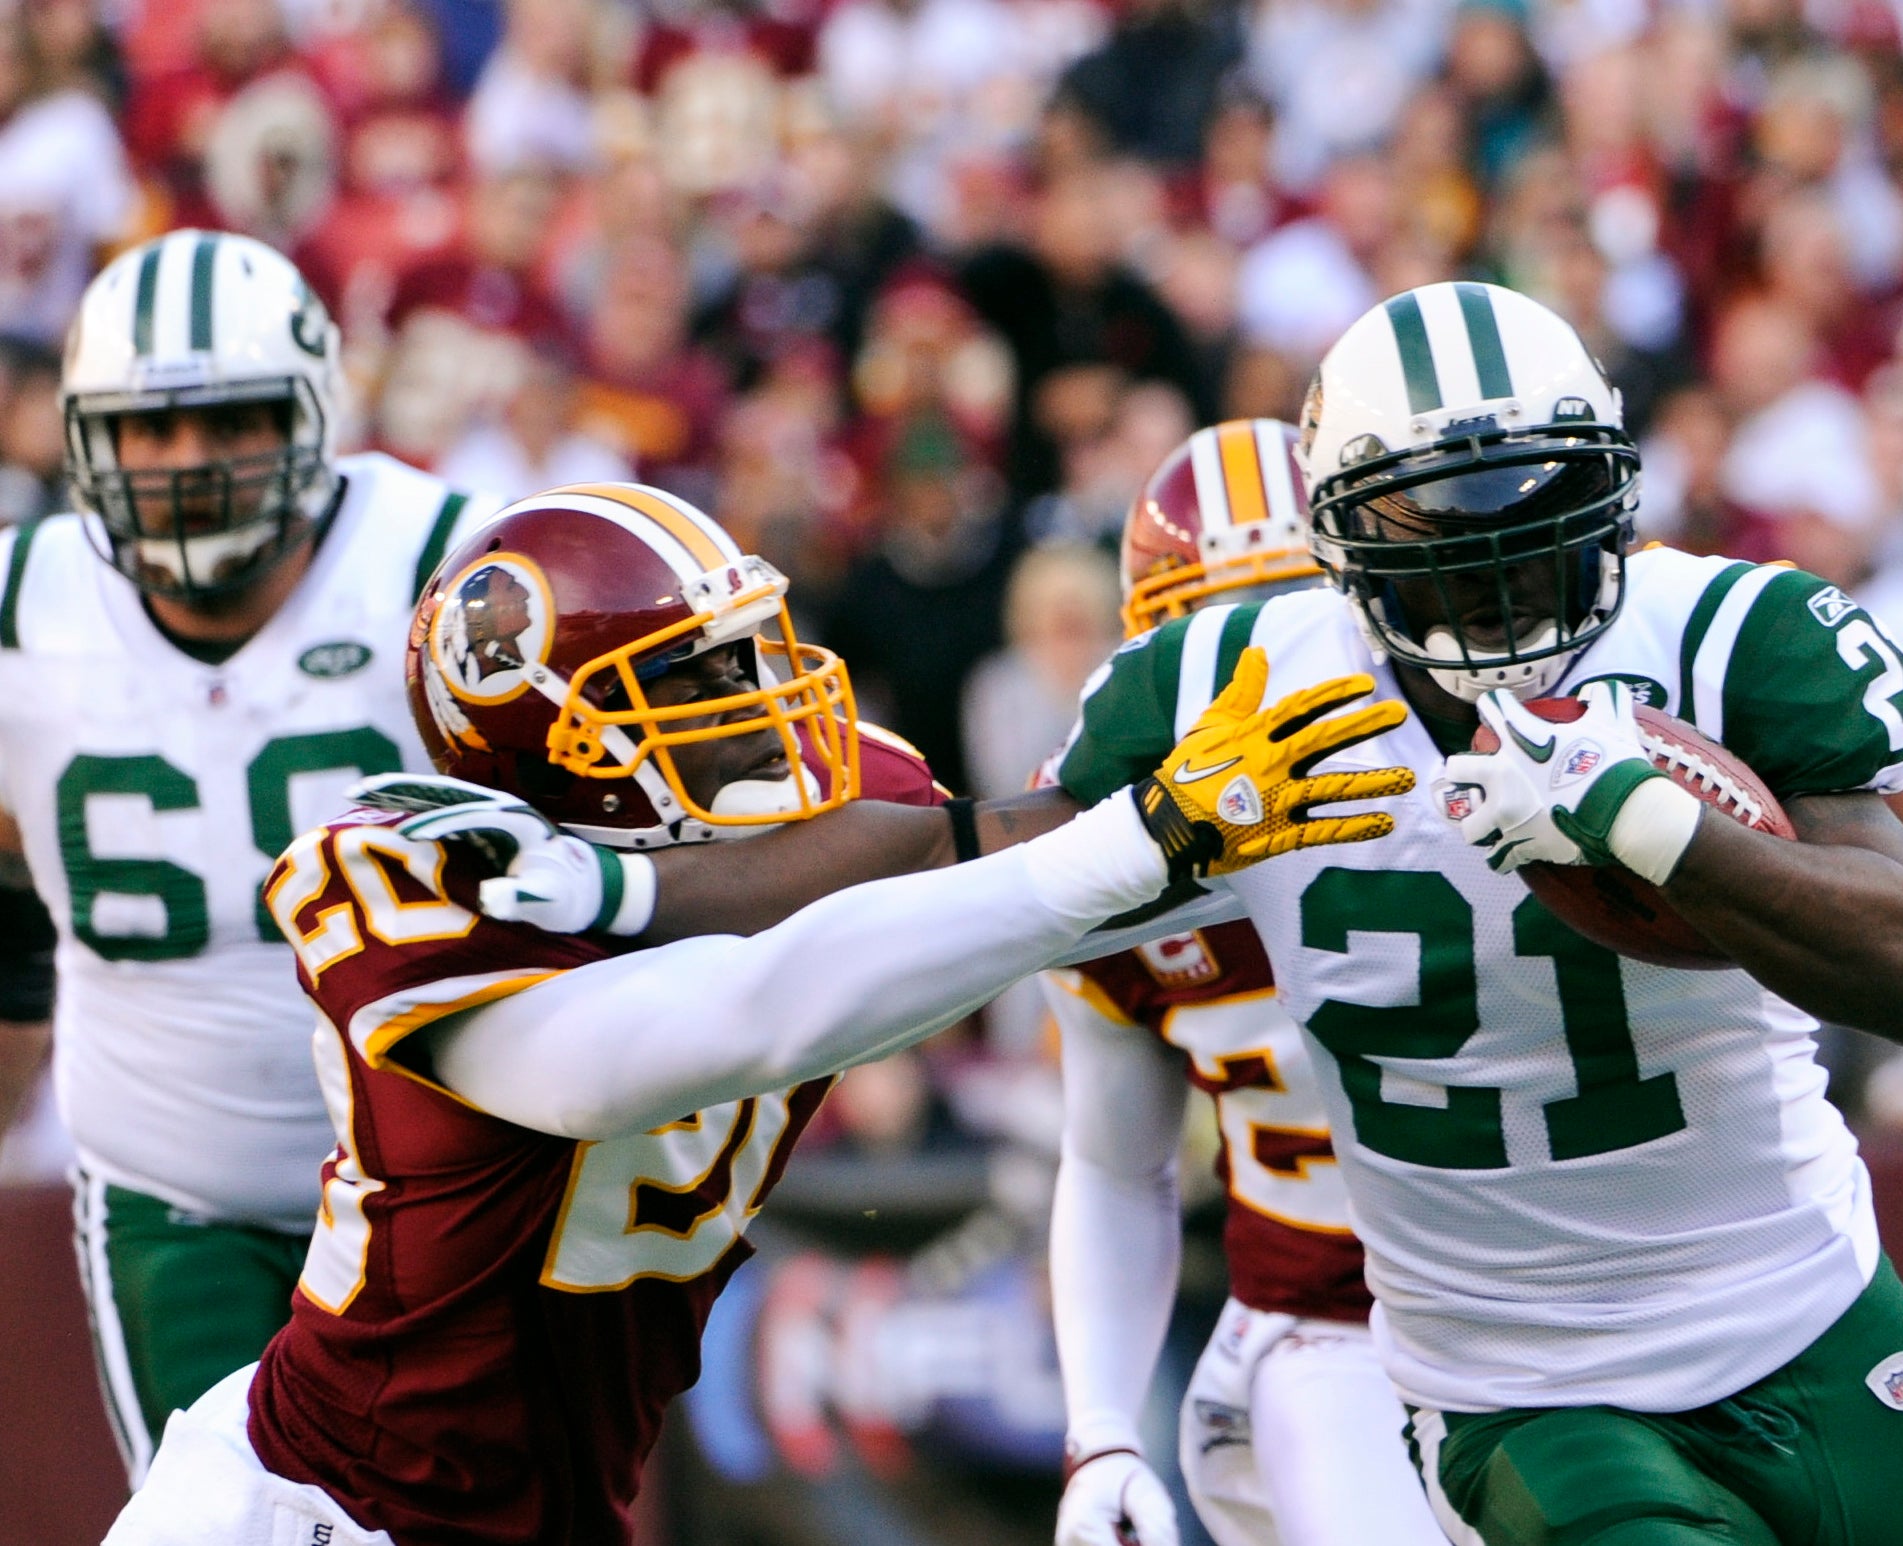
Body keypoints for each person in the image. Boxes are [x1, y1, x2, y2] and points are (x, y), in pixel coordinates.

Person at [408, 284, 1903, 1546]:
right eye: (1436, 531)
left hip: (1805, 1302)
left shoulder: (1734, 630)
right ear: (1333, 537)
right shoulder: (1229, 681)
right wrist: (627, 879)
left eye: (1538, 507)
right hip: (1514, 1379)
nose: (1499, 568)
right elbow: (955, 846)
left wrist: (1654, 826)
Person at [104, 481, 1414, 1544]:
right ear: (545, 735)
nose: (764, 703)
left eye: (753, 650)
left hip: (552, 1507)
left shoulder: (829, 802)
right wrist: (1135, 846)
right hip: (325, 1507)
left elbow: (1029, 882)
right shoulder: (422, 880)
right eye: (695, 677)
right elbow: (723, 1019)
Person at [0, 229, 494, 1485]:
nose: (187, 464)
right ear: (82, 440)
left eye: (228, 421)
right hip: (174, 1197)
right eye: (148, 432)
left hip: (441, 1184)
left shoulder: (447, 559)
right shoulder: (23, 606)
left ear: (313, 412)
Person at [1042, 418, 1452, 1546]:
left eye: (1296, 616)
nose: (1254, 678)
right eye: (1210, 634)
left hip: (1578, 1300)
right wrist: (1101, 1425)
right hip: (1324, 1326)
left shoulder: (1488, 775)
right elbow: (1111, 1161)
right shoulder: (1107, 856)